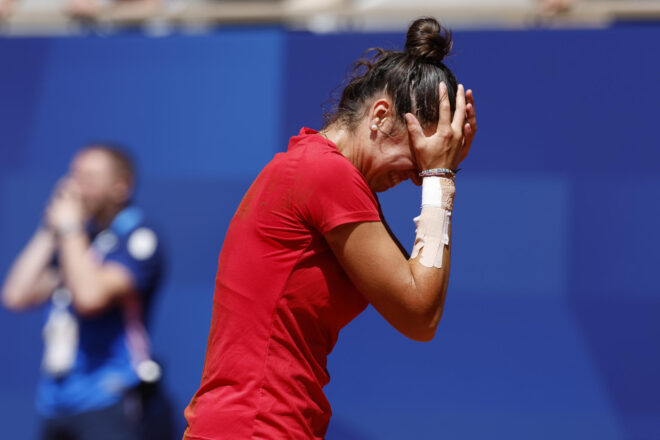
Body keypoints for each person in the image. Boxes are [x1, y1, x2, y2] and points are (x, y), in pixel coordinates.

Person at [183, 16, 477, 439]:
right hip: (256, 427)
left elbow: (414, 296)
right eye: (417, 158)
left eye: (427, 165)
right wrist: (441, 179)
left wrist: (437, 173)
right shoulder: (325, 174)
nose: (417, 176)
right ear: (379, 116)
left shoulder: (317, 170)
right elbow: (419, 313)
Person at [1, 144, 175, 440]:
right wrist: (50, 228)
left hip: (109, 400)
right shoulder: (80, 238)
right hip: (57, 402)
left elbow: (89, 298)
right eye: (74, 176)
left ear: (121, 186)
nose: (77, 187)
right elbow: (17, 293)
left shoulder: (139, 236)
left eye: (89, 178)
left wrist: (69, 228)